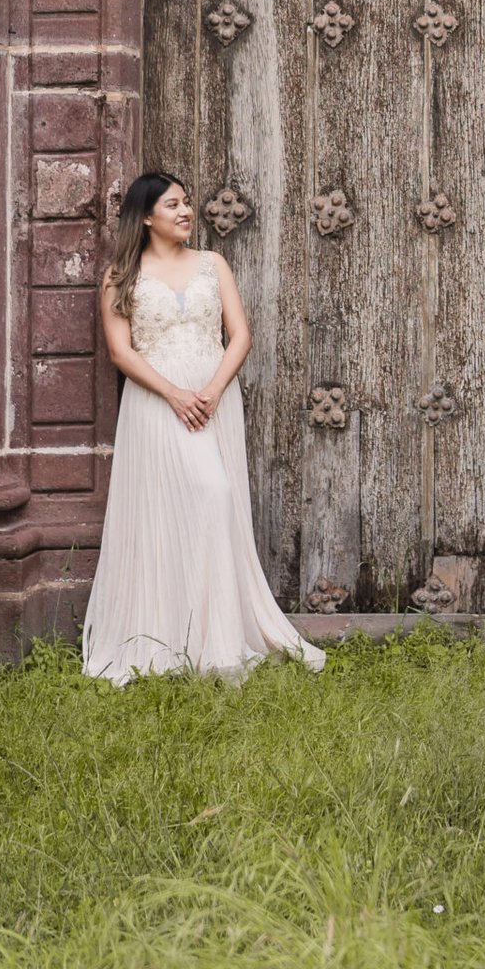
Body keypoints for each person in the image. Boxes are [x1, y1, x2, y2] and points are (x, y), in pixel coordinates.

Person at [82, 169, 326, 684]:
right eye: (173, 205)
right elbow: (121, 352)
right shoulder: (120, 275)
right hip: (156, 402)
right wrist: (174, 394)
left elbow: (240, 336)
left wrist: (212, 390)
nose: (187, 212)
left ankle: (215, 640)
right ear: (146, 217)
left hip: (213, 400)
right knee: (181, 507)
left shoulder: (213, 264)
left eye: (187, 202)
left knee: (215, 501)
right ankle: (172, 636)